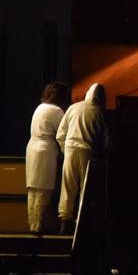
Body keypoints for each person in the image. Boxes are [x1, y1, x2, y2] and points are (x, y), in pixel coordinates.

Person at [55, 83, 111, 234]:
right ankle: (80, 225)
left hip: (70, 150)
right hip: (88, 153)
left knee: (67, 186)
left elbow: (60, 134)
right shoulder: (99, 113)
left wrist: (64, 150)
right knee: (84, 190)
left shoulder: (73, 108)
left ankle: (64, 222)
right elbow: (106, 141)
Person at [25, 82, 69, 233]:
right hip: (46, 149)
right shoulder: (56, 111)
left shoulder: (40, 107)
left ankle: (33, 225)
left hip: (32, 147)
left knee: (33, 189)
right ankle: (39, 227)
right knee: (45, 189)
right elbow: (63, 132)